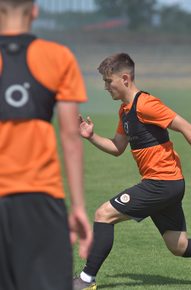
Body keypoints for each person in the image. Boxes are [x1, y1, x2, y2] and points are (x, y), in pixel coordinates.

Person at [73, 53, 191, 290]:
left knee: (103, 214)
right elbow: (117, 147)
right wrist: (91, 137)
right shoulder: (125, 111)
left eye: (109, 81)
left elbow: (187, 127)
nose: (106, 87)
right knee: (178, 246)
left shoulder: (146, 104)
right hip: (165, 184)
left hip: (162, 183)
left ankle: (86, 280)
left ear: (125, 79)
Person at [0, 0, 93, 290]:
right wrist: (77, 205)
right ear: (35, 10)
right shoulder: (58, 57)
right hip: (40, 196)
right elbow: (70, 135)